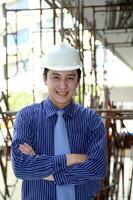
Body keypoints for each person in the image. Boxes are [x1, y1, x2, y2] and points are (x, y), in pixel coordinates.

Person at [11, 42, 107, 200]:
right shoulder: (26, 117)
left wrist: (42, 170)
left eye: (70, 78)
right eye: (56, 77)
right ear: (45, 78)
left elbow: (97, 168)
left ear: (77, 81)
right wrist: (72, 158)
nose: (63, 86)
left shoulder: (91, 120)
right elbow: (21, 167)